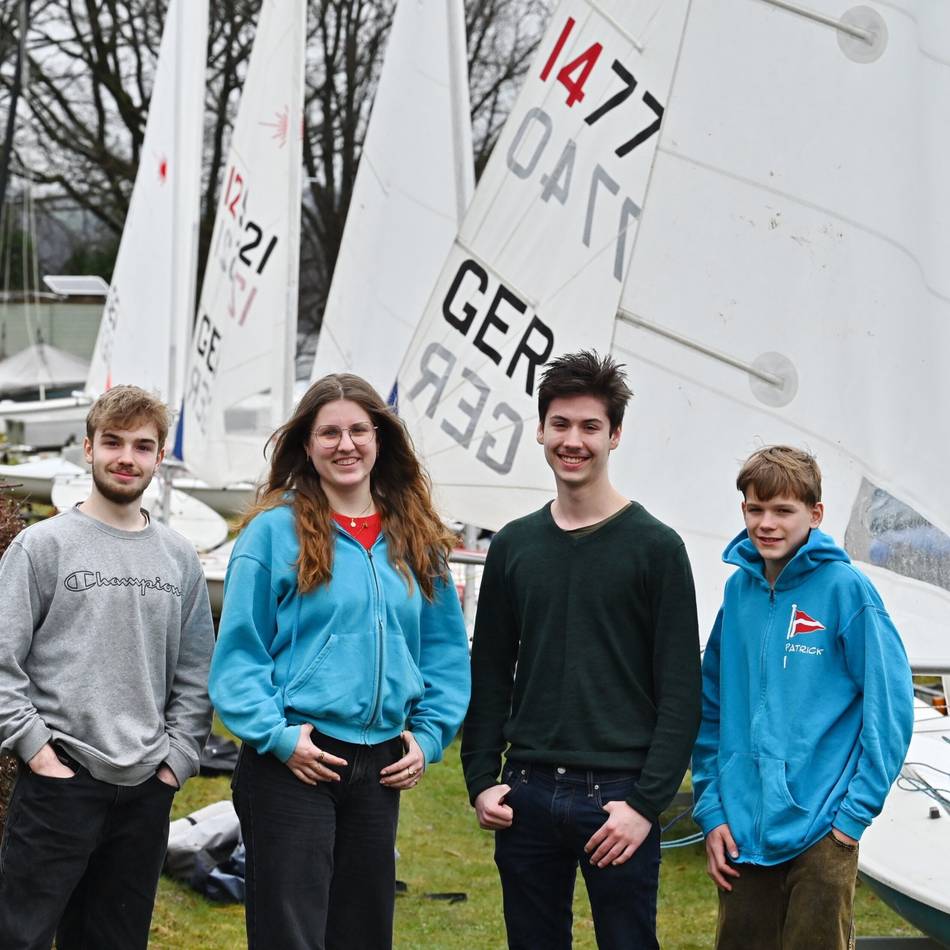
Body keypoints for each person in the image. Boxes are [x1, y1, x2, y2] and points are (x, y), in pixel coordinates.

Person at [209, 372, 470, 950]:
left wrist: (429, 737)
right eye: (329, 433)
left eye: (358, 431)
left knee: (363, 933)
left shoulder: (417, 537)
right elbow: (240, 654)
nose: (345, 444)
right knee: (291, 936)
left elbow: (445, 653)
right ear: (307, 444)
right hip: (294, 760)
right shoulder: (272, 534)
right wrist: (278, 737)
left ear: (380, 438)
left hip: (379, 766)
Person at [462, 351, 702, 950]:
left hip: (618, 797)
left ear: (614, 435)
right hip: (526, 790)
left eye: (590, 426)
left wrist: (644, 805)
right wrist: (481, 779)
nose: (574, 441)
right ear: (541, 431)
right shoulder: (514, 546)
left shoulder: (657, 548)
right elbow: (489, 673)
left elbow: (681, 694)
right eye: (561, 424)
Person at [0, 385, 215, 950]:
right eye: (113, 442)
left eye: (142, 446)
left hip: (146, 790)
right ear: (89, 448)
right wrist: (37, 751)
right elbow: (1, 662)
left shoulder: (179, 557)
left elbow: (196, 673)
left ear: (159, 457)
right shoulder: (41, 547)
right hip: (58, 783)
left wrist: (176, 762)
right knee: (20, 937)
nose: (127, 457)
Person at [692, 445, 914, 950]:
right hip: (741, 832)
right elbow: (711, 709)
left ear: (815, 514)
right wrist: (712, 810)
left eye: (783, 510)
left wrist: (851, 819)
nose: (766, 523)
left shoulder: (846, 590)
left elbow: (890, 710)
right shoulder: (737, 593)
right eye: (755, 509)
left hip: (822, 831)